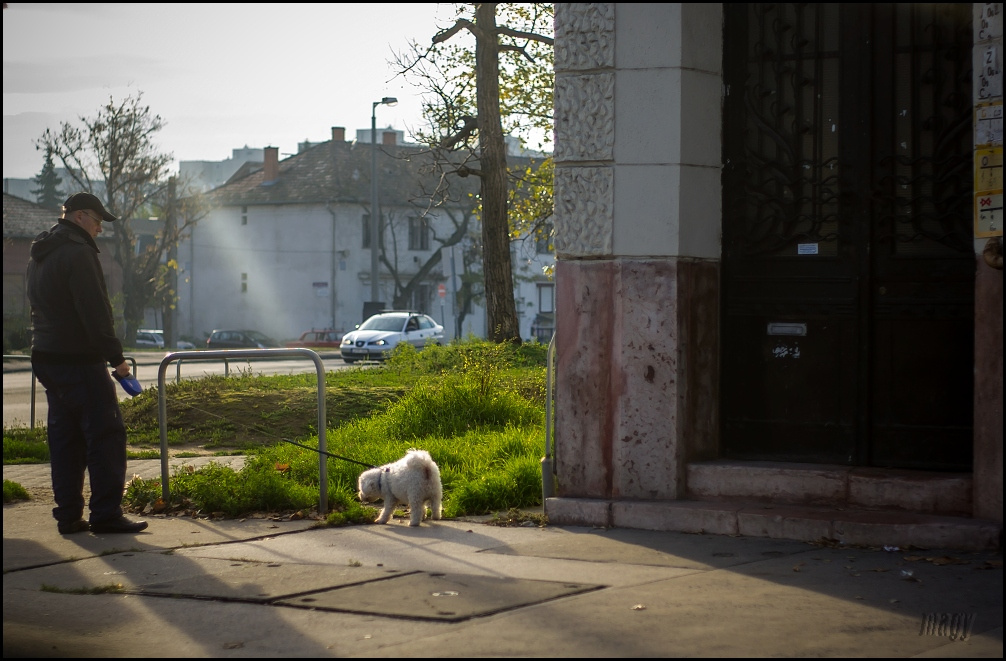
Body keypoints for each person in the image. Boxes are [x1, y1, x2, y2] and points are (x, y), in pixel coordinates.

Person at [26, 192, 148, 535]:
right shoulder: (78, 252)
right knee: (106, 435)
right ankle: (106, 514)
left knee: (65, 439)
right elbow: (94, 312)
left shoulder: (40, 251)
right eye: (97, 221)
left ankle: (68, 516)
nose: (99, 229)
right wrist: (118, 361)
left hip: (47, 356)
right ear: (79, 216)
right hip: (79, 358)